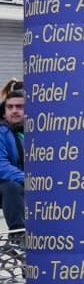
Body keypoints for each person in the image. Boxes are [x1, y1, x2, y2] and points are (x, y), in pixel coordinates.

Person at [0, 89, 22, 230]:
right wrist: (31, 181)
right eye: (10, 107)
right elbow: (2, 166)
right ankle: (18, 235)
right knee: (11, 187)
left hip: (29, 184)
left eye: (19, 107)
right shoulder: (2, 132)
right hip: (7, 184)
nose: (14, 111)